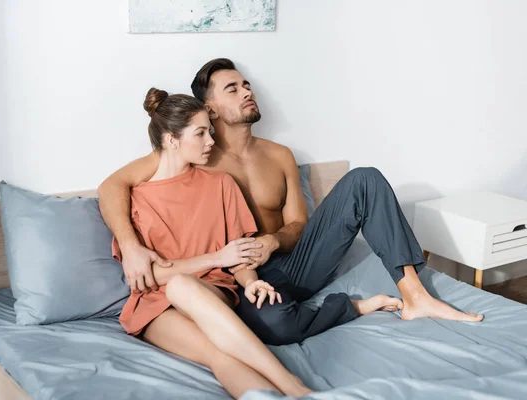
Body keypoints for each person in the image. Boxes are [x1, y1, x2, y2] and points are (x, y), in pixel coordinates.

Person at [99, 58, 483, 347]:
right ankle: (351, 307)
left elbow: (299, 225)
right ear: (210, 109)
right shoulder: (196, 153)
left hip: (293, 264)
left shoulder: (279, 155)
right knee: (277, 327)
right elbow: (113, 185)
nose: (247, 91)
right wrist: (131, 247)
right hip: (240, 277)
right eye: (232, 88)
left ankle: (415, 294)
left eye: (247, 84)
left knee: (365, 178)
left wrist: (273, 241)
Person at [116, 87, 312, 398]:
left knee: (183, 286)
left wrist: (249, 283)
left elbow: (238, 253)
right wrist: (215, 257)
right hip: (155, 307)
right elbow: (152, 276)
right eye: (201, 133)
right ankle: (292, 387)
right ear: (171, 140)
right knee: (219, 355)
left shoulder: (222, 184)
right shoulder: (136, 200)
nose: (211, 141)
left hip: (212, 292)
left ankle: (294, 387)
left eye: (210, 130)